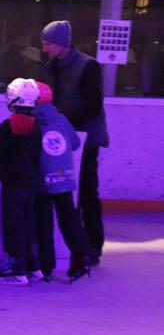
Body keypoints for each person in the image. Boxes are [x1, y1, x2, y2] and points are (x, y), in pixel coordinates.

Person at [41, 20, 108, 265]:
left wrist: (67, 126)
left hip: (85, 138)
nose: (44, 48)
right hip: (59, 138)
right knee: (63, 191)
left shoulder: (87, 66)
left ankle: (93, 244)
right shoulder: (50, 67)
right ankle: (68, 244)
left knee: (87, 190)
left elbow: (94, 104)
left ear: (62, 44)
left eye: (48, 44)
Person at [33, 81, 92, 281]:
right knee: (69, 219)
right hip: (64, 178)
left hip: (43, 181)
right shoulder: (61, 119)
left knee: (43, 223)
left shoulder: (32, 122)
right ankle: (82, 256)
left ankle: (45, 266)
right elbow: (74, 143)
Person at [0, 78, 43, 286]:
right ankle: (33, 263)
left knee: (13, 221)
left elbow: (1, 153)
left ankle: (16, 264)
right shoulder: (37, 126)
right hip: (31, 180)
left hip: (13, 181)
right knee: (28, 220)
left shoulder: (8, 125)